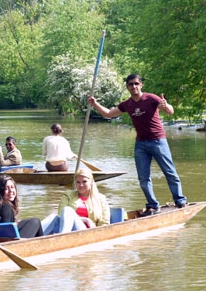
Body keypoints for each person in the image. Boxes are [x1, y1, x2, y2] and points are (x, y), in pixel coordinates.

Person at [88, 73, 187, 216]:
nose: (134, 86)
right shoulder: (127, 104)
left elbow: (170, 111)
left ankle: (180, 200)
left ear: (141, 85)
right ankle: (152, 205)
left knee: (169, 172)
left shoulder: (151, 98)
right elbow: (109, 114)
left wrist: (166, 106)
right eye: (130, 84)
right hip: (141, 144)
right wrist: (94, 103)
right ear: (127, 87)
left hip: (158, 141)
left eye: (136, 83)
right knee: (143, 178)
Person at [41, 168, 110, 234]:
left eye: (84, 181)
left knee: (68, 210)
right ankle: (34, 237)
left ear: (91, 182)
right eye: (78, 182)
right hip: (66, 228)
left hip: (87, 232)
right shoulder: (68, 195)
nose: (81, 185)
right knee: (53, 217)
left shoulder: (101, 198)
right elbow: (60, 215)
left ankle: (63, 237)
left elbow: (105, 223)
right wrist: (85, 219)